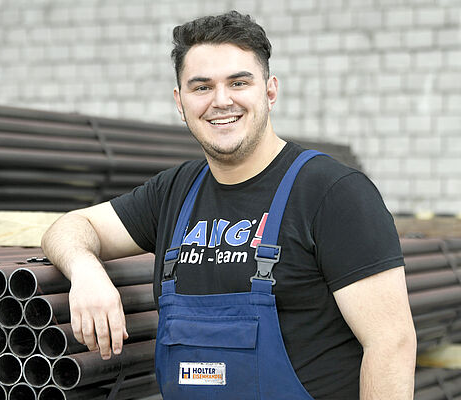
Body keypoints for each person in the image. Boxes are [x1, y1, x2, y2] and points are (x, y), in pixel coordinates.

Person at [41, 10, 416, 399]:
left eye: (238, 82)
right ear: (180, 102)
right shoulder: (174, 192)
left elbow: (391, 344)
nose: (221, 101)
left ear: (270, 91)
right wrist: (85, 270)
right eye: (201, 87)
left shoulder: (332, 192)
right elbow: (68, 228)